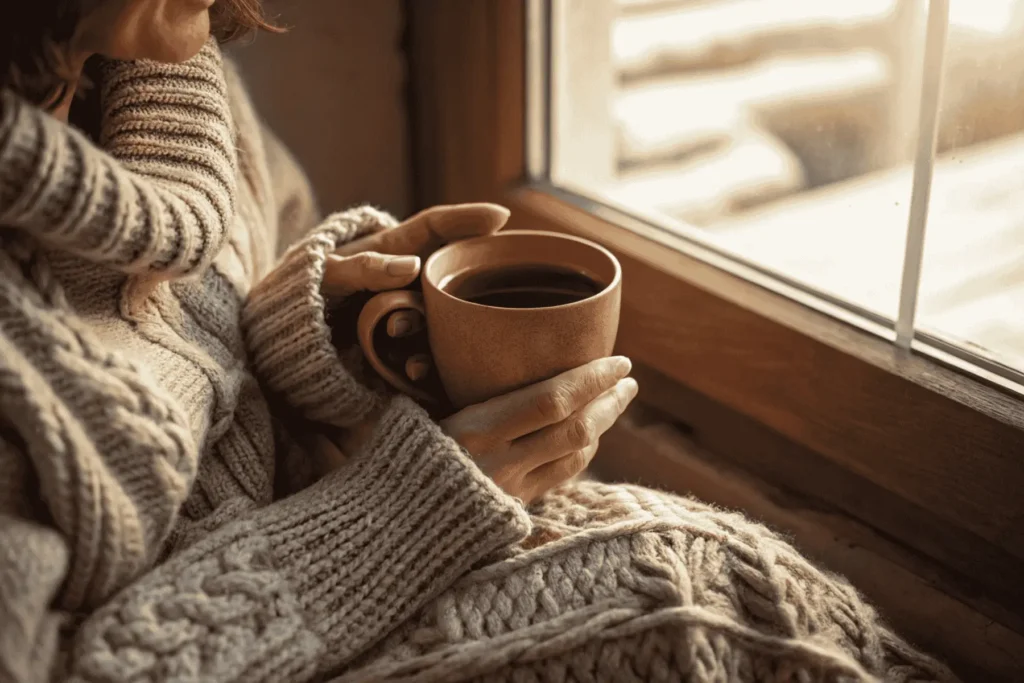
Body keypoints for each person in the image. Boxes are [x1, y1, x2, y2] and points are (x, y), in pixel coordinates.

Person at [0, 2, 959, 682]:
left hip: (342, 544)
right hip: (284, 611)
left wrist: (317, 335)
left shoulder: (166, 76)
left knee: (741, 590)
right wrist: (393, 522)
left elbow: (216, 342)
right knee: (696, 610)